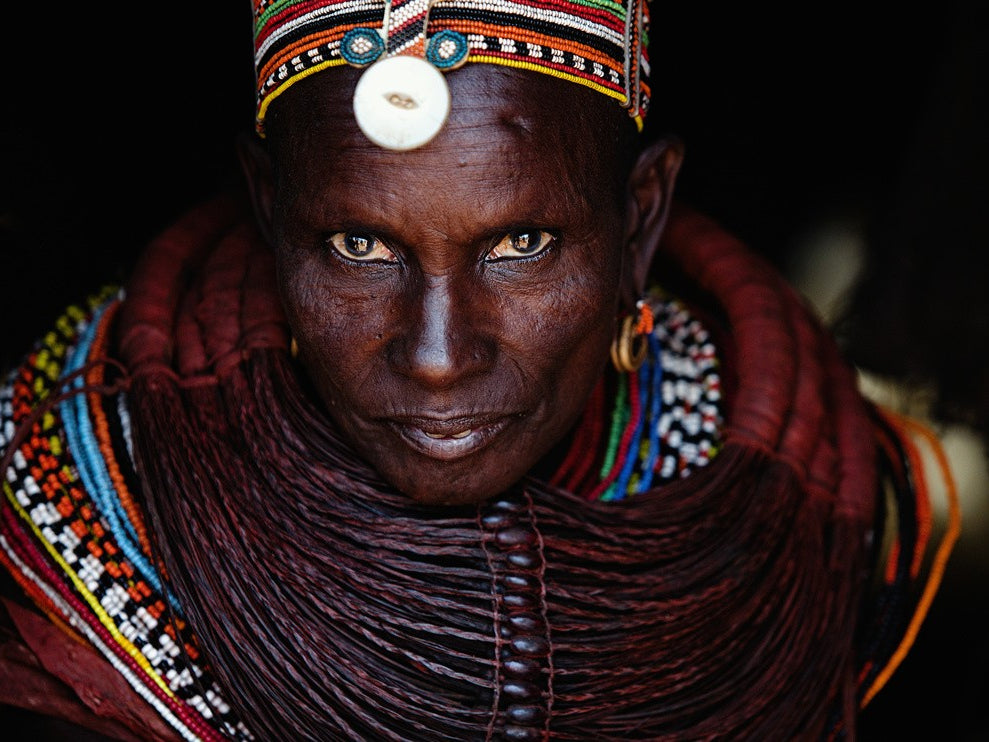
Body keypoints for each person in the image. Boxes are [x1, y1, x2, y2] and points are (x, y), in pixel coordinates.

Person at [0, 1, 960, 739]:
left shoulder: (801, 516)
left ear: (638, 222)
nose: (435, 357)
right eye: (357, 246)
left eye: (524, 242)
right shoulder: (77, 491)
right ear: (265, 204)